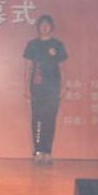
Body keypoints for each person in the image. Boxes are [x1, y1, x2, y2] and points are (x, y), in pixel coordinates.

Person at [23, 14, 68, 165]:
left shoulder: (58, 45)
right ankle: (37, 152)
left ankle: (47, 152)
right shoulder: (32, 45)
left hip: (53, 89)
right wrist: (26, 88)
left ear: (51, 27)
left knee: (50, 120)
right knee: (37, 120)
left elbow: (62, 69)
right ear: (38, 27)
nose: (44, 27)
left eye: (47, 24)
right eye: (42, 24)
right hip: (36, 88)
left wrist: (63, 87)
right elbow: (28, 68)